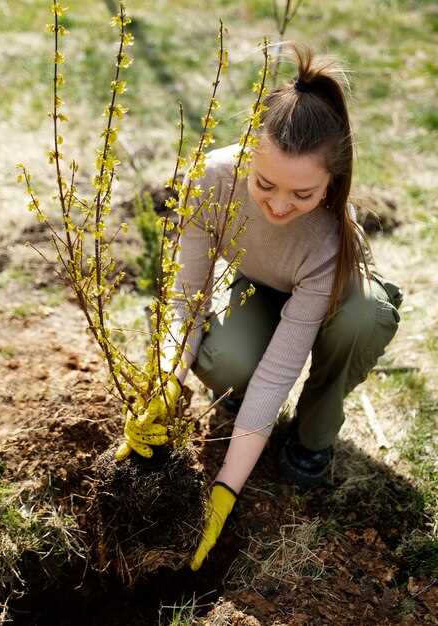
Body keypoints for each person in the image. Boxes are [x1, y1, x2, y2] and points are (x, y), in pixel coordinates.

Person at [116, 44, 402, 571]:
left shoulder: (329, 240)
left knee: (364, 321)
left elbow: (280, 374)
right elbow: (186, 300)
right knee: (224, 361)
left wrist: (225, 490)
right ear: (248, 152)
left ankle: (311, 439)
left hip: (341, 297)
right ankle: (235, 397)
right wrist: (165, 383)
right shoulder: (212, 180)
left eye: (302, 193)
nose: (277, 205)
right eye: (265, 184)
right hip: (263, 284)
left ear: (332, 184)